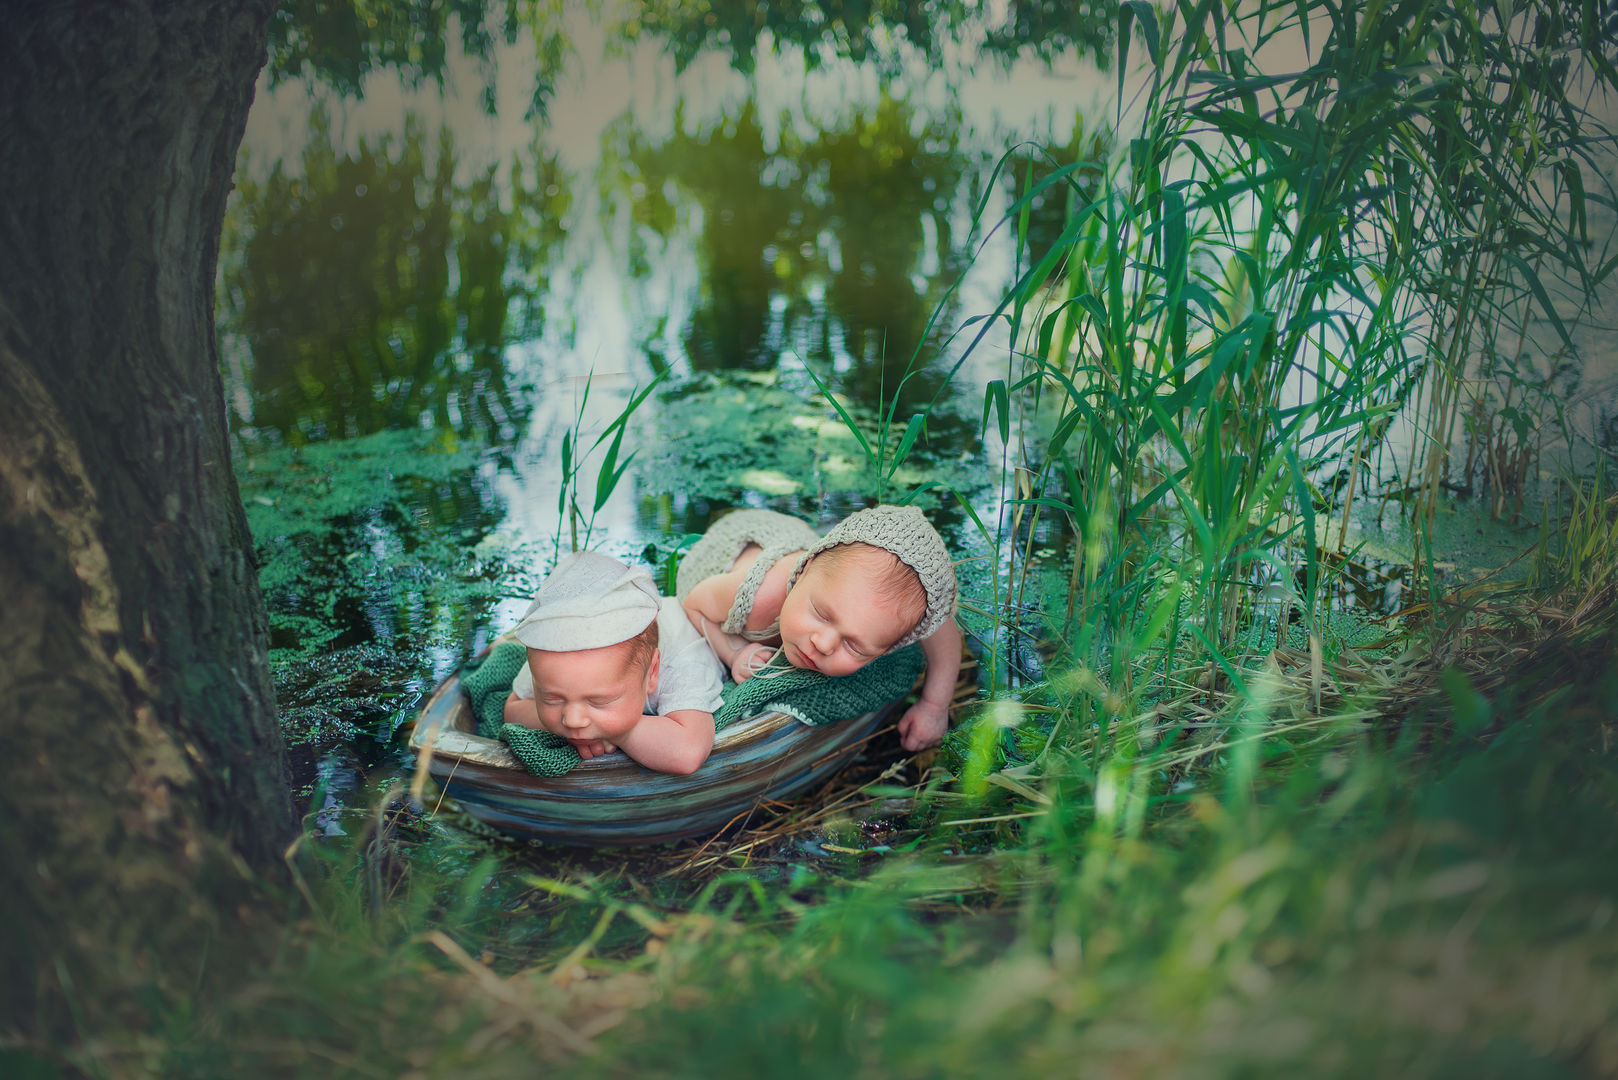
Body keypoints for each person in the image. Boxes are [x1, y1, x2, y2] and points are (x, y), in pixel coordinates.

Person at [677, 504, 961, 752]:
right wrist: (732, 653)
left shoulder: (853, 605)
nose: (823, 644)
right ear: (804, 570)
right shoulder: (757, 598)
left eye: (854, 645)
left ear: (889, 648)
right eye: (822, 615)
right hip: (729, 550)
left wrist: (935, 706)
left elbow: (941, 628)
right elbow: (693, 604)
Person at [503, 550, 725, 774]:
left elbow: (688, 752)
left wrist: (620, 734)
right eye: (553, 699)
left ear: (652, 673)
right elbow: (513, 709)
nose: (573, 720)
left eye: (598, 701)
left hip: (693, 626)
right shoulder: (555, 649)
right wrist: (591, 732)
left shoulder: (681, 661)